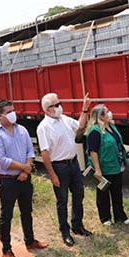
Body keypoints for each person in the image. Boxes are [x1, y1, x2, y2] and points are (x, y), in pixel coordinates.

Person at [0, 100, 48, 257]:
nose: (13, 113)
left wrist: (25, 170)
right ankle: (6, 250)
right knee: (6, 215)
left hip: (24, 179)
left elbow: (30, 150)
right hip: (7, 181)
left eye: (13, 110)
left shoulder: (22, 130)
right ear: (0, 115)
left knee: (26, 211)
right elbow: (1, 160)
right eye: (9, 111)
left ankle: (30, 240)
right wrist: (25, 168)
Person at [36, 92, 92, 247]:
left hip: (73, 163)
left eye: (60, 103)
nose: (60, 107)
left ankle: (77, 226)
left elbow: (80, 125)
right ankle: (65, 231)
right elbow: (45, 153)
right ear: (47, 110)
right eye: (56, 105)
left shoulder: (65, 119)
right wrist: (52, 175)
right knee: (62, 200)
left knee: (79, 194)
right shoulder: (44, 127)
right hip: (59, 167)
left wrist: (85, 109)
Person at [86, 105, 129, 225]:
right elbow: (93, 151)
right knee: (103, 195)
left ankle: (120, 215)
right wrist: (98, 170)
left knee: (117, 193)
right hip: (104, 169)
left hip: (116, 166)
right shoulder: (95, 131)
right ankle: (105, 217)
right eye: (106, 112)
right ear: (100, 116)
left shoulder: (111, 126)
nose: (109, 113)